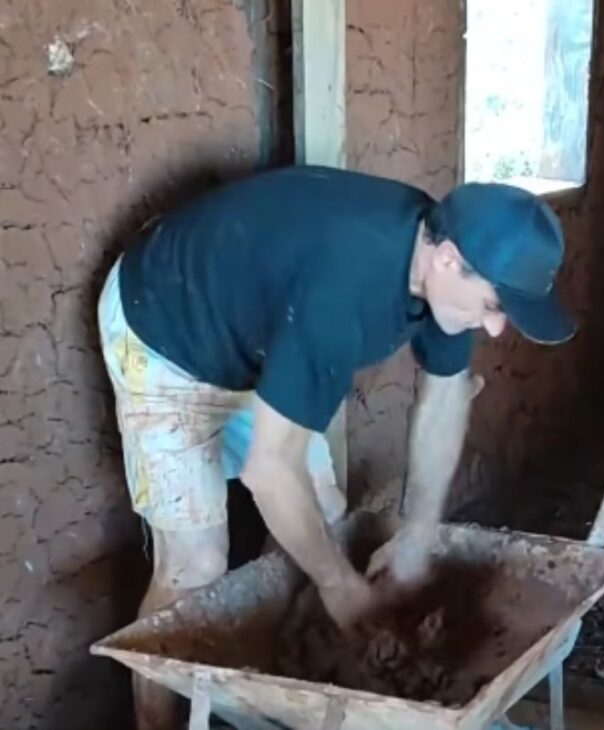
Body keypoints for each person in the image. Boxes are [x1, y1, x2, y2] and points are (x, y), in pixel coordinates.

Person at [96, 165, 574, 729]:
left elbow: (446, 397)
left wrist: (420, 533)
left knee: (322, 516)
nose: (495, 329)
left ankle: (289, 687)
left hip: (260, 336)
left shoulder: (444, 261)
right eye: (495, 305)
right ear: (447, 259)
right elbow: (270, 470)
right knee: (194, 566)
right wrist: (339, 585)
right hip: (165, 333)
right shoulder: (344, 292)